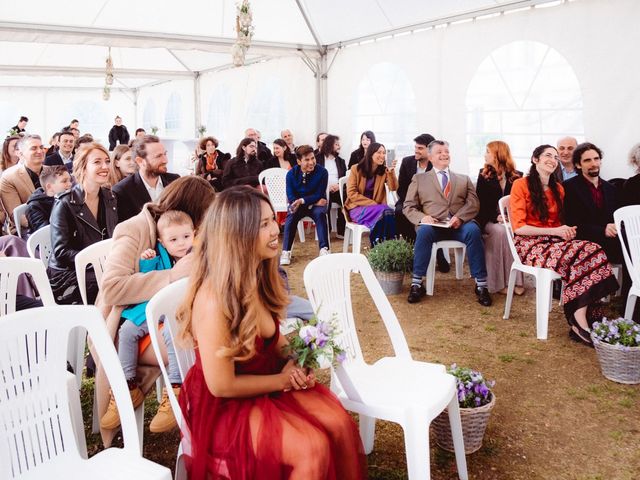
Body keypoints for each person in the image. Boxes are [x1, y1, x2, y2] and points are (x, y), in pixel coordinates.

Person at [176, 186, 367, 479]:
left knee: (338, 423)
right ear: (237, 235)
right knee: (310, 449)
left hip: (268, 381)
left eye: (271, 220)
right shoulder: (213, 299)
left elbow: (275, 341)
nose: (275, 229)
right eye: (263, 224)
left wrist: (296, 361)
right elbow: (221, 386)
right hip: (226, 406)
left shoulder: (257, 277)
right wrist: (281, 380)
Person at [95, 175, 215, 446]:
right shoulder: (133, 229)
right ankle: (178, 397)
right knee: (202, 345)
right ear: (188, 210)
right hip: (128, 324)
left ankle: (203, 417)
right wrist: (171, 276)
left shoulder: (185, 233)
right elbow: (112, 288)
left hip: (168, 317)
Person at [510, 145, 618, 346]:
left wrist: (565, 230)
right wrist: (556, 231)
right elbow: (519, 228)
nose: (553, 160)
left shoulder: (558, 188)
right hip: (529, 245)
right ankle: (579, 321)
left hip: (555, 243)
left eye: (555, 157)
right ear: (535, 159)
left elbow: (559, 224)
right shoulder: (520, 184)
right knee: (587, 252)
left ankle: (582, 316)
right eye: (547, 156)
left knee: (593, 249)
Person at [101, 210, 195, 433]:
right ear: (162, 241)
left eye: (186, 237)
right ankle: (127, 387)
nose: (181, 244)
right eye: (173, 240)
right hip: (150, 306)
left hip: (178, 309)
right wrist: (148, 261)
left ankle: (176, 389)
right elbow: (147, 281)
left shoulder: (197, 253)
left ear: (194, 233)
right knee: (127, 332)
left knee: (170, 334)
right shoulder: (160, 252)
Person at [403, 140, 492, 306]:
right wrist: (422, 218)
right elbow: (408, 206)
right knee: (423, 231)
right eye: (439, 152)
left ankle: (481, 285)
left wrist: (460, 217)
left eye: (446, 151)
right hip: (433, 226)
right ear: (430, 157)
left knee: (473, 230)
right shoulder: (419, 179)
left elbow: (473, 204)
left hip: (460, 225)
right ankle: (416, 283)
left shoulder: (463, 179)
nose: (444, 154)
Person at [47, 142, 117, 304]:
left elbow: (112, 237)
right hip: (66, 273)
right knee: (112, 283)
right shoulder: (64, 203)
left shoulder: (110, 197)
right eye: (97, 162)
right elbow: (61, 252)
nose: (105, 166)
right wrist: (95, 261)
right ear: (83, 168)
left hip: (98, 266)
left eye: (107, 161)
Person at [475, 140, 524, 295]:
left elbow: (521, 203)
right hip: (489, 220)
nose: (485, 155)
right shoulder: (483, 176)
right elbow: (480, 205)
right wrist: (497, 217)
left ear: (498, 154)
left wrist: (510, 217)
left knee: (509, 231)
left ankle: (516, 281)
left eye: (488, 152)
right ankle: (496, 283)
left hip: (512, 220)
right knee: (501, 231)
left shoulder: (518, 176)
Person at [563, 142, 622, 263]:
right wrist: (603, 230)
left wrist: (613, 227)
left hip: (610, 242)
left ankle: (632, 283)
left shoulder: (611, 188)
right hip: (584, 242)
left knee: (633, 247)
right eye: (587, 160)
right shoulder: (568, 187)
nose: (594, 164)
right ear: (578, 165)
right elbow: (570, 222)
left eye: (596, 159)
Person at [280, 145, 330, 265]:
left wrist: (302, 201)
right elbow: (291, 195)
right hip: (301, 205)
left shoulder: (323, 172)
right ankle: (286, 251)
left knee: (320, 213)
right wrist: (305, 202)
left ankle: (324, 249)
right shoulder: (291, 174)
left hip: (315, 205)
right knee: (291, 214)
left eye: (312, 158)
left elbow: (319, 194)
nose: (311, 162)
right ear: (298, 161)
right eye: (307, 160)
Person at [112, 134, 180, 222]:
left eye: (165, 154)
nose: (165, 160)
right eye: (158, 156)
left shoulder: (175, 181)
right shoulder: (122, 191)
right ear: (140, 161)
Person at [345, 142, 397, 245]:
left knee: (388, 211)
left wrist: (391, 171)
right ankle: (381, 245)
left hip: (378, 209)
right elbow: (351, 193)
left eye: (384, 153)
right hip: (357, 208)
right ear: (370, 154)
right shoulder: (356, 169)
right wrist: (373, 204)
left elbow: (393, 187)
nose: (382, 155)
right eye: (379, 152)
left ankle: (384, 246)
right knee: (386, 211)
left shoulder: (384, 170)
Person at [1, 134, 45, 234]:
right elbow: (17, 217)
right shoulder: (9, 177)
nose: (40, 151)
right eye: (34, 148)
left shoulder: (52, 172)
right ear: (20, 154)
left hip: (57, 226)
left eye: (41, 147)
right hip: (26, 231)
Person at [316, 134, 346, 239]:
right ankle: (325, 232)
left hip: (337, 190)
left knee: (347, 198)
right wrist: (326, 187)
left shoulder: (341, 161)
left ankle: (341, 231)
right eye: (336, 144)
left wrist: (338, 185)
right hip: (323, 190)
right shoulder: (317, 159)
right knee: (325, 201)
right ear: (330, 145)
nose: (339, 147)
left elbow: (344, 178)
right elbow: (314, 178)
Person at [26, 165, 72, 232]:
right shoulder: (34, 207)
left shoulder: (70, 196)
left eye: (69, 180)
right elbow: (45, 233)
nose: (70, 184)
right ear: (49, 187)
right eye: (64, 181)